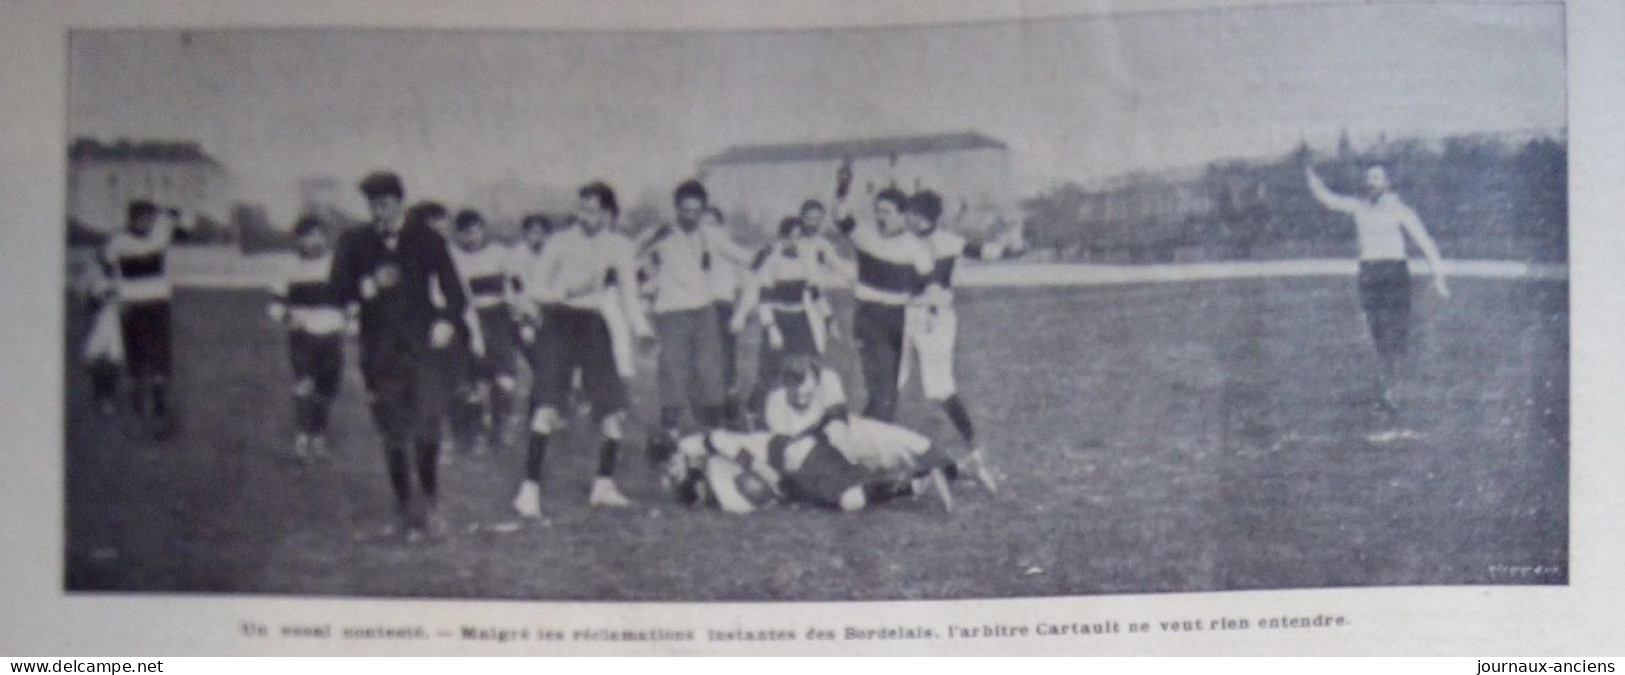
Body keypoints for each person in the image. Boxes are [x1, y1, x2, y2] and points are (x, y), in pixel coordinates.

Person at [330, 172, 468, 541]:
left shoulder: (427, 239)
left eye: (386, 204)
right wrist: (369, 286)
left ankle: (432, 503)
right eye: (373, 205)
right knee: (393, 433)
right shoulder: (355, 241)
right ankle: (404, 508)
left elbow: (456, 293)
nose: (380, 212)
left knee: (426, 428)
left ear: (400, 202)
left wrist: (445, 322)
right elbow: (336, 291)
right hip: (379, 353)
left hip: (423, 350)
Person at [511, 181, 653, 517]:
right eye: (581, 208)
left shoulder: (619, 245)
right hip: (559, 322)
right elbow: (535, 290)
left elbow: (630, 294)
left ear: (606, 213)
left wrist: (643, 329)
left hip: (593, 324)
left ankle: (603, 485)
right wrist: (564, 291)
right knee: (547, 405)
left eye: (591, 209)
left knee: (611, 407)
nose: (584, 215)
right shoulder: (560, 242)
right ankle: (528, 491)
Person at [655, 355, 954, 513]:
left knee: (851, 495)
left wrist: (757, 466)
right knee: (849, 497)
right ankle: (920, 484)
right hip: (795, 466)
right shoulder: (700, 473)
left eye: (670, 465)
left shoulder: (694, 448)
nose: (671, 472)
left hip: (793, 454)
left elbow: (717, 439)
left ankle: (928, 479)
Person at [1305, 163, 1450, 415]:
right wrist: (1310, 177)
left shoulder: (1401, 211)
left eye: (1376, 177)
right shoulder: (1359, 207)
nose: (1370, 182)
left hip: (1394, 272)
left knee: (1395, 331)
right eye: (1368, 178)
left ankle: (1392, 390)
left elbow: (1425, 243)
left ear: (1387, 182)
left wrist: (1439, 278)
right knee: (1377, 333)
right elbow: (1329, 200)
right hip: (1369, 273)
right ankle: (1387, 387)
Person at [900, 189, 1017, 491]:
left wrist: (1010, 245)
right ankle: (884, 456)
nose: (906, 218)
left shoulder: (948, 242)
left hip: (935, 318)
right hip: (904, 317)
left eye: (910, 212)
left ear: (920, 215)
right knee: (891, 385)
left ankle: (974, 452)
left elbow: (984, 253)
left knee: (940, 389)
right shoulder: (903, 242)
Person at [637, 180, 755, 461]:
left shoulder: (709, 235)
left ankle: (713, 439)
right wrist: (646, 240)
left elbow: (743, 256)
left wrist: (770, 257)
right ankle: (669, 439)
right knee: (674, 373)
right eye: (685, 210)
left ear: (703, 210)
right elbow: (628, 260)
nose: (690, 216)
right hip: (672, 312)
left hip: (704, 311)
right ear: (676, 208)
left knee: (710, 373)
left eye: (696, 211)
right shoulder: (662, 234)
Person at [828, 165, 936, 422]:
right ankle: (873, 437)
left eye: (886, 212)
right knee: (881, 387)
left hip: (897, 317)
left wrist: (930, 312)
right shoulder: (864, 235)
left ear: (902, 215)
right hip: (868, 316)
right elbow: (841, 217)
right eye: (877, 210)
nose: (879, 216)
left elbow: (929, 285)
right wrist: (842, 189)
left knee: (889, 387)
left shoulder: (915, 247)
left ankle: (868, 433)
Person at [267, 216, 347, 464]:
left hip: (332, 334)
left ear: (325, 237)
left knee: (326, 390)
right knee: (304, 385)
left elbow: (350, 299)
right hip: (302, 336)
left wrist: (351, 321)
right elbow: (274, 304)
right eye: (306, 236)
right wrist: (287, 315)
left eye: (317, 235)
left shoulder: (338, 264)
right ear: (297, 240)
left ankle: (319, 438)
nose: (312, 241)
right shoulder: (288, 267)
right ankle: (302, 440)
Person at [734, 216, 832, 419]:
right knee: (770, 372)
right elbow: (764, 299)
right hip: (778, 319)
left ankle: (807, 412)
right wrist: (772, 329)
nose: (794, 242)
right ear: (783, 238)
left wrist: (829, 318)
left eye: (799, 238)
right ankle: (753, 412)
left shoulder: (807, 260)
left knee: (810, 365)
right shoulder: (773, 261)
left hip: (799, 319)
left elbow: (815, 292)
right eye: (790, 238)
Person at [100, 200, 183, 436]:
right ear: (132, 218)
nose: (148, 222)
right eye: (143, 217)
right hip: (132, 304)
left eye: (150, 218)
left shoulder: (156, 236)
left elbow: (185, 228)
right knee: (135, 354)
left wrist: (172, 216)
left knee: (159, 353)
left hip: (157, 303)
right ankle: (138, 401)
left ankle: (158, 404)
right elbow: (106, 264)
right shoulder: (120, 241)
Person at [446, 209, 522, 456]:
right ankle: (475, 435)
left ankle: (501, 427)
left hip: (498, 318)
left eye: (476, 230)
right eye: (466, 232)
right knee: (474, 382)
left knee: (504, 380)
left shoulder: (499, 254)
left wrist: (518, 307)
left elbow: (517, 285)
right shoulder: (454, 258)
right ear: (458, 235)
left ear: (483, 230)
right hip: (468, 319)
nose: (472, 236)